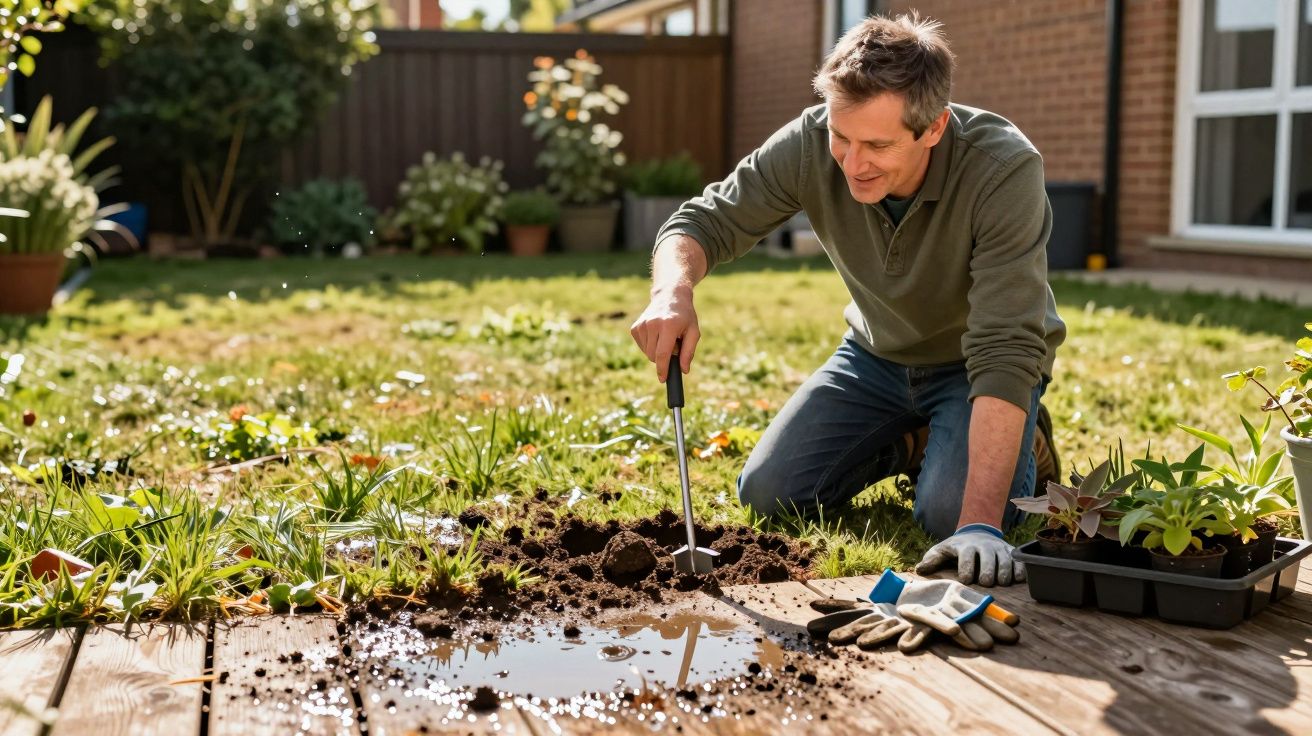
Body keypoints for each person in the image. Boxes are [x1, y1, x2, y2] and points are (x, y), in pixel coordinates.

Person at [628, 13, 1065, 587]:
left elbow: (1006, 345)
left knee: (947, 520)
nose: (852, 163)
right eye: (842, 136)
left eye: (878, 145)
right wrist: (672, 290)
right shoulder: (811, 144)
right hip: (875, 357)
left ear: (933, 128)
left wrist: (980, 524)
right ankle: (914, 443)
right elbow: (703, 221)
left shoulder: (1002, 170)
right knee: (768, 495)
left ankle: (1024, 436)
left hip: (973, 365)